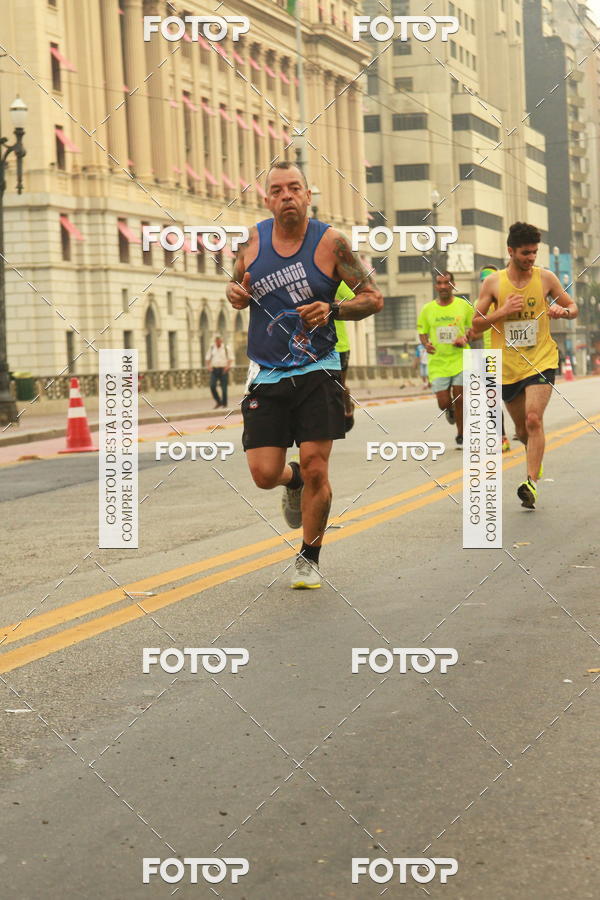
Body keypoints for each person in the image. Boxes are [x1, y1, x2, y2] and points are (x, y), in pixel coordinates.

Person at [226, 161, 383, 589]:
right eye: (277, 190)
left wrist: (332, 308)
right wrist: (235, 294)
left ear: (308, 195)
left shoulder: (332, 243)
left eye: (294, 188)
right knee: (262, 474)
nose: (286, 196)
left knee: (317, 466)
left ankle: (309, 556)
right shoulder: (252, 240)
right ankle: (290, 480)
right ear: (267, 200)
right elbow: (233, 285)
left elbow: (374, 298)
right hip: (268, 372)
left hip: (319, 369)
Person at [472, 222, 577, 509]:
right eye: (525, 253)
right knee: (521, 430)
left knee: (533, 419)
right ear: (510, 251)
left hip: (541, 359)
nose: (531, 258)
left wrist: (561, 311)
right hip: (506, 367)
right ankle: (535, 459)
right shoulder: (493, 283)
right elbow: (476, 324)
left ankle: (530, 481)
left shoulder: (546, 278)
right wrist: (503, 311)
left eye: (534, 252)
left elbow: (572, 307)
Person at [417, 271, 473, 447]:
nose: (443, 286)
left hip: (461, 358)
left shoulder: (464, 306)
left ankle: (461, 434)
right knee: (443, 402)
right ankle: (449, 410)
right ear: (436, 286)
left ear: (453, 285)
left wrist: (465, 338)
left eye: (446, 283)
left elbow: (473, 328)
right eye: (439, 283)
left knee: (460, 398)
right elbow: (422, 332)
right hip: (438, 362)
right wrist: (426, 344)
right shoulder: (428, 309)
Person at [479, 265, 511, 454]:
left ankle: (525, 430)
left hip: (512, 355)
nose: (486, 282)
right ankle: (502, 437)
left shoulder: (508, 298)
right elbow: (474, 328)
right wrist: (466, 335)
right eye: (483, 280)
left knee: (515, 398)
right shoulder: (479, 302)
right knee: (492, 400)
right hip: (490, 357)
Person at [206, 334, 233, 408]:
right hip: (214, 369)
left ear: (221, 340)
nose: (217, 341)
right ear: (215, 341)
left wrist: (227, 367)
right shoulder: (212, 348)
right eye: (216, 340)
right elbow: (207, 358)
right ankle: (218, 401)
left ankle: (224, 404)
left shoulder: (226, 348)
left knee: (224, 388)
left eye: (219, 340)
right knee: (212, 386)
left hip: (223, 369)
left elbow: (231, 359)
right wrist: (209, 366)